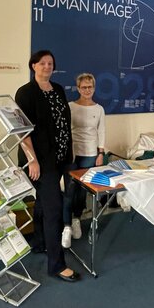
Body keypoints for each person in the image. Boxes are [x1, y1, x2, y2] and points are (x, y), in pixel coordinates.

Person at [15, 50, 80, 282]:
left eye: (50, 63)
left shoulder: (59, 89)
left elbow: (64, 123)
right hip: (40, 161)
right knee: (53, 207)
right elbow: (22, 129)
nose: (46, 66)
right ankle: (56, 265)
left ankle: (40, 243)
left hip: (61, 156)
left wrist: (70, 151)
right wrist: (32, 159)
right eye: (42, 63)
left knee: (43, 201)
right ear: (33, 65)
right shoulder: (25, 93)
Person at [62, 73, 106, 248]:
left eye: (90, 87)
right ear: (78, 88)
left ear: (94, 88)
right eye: (84, 87)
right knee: (69, 190)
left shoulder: (99, 109)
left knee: (82, 191)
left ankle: (76, 219)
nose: (87, 90)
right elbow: (64, 131)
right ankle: (66, 227)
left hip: (90, 154)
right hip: (71, 153)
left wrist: (100, 153)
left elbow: (101, 132)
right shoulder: (70, 106)